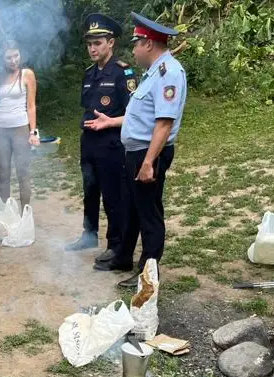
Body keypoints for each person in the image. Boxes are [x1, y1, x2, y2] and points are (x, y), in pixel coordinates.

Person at [87, 13, 187, 288]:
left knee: (149, 214)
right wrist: (112, 121)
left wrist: (148, 162)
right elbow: (140, 115)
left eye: (136, 43)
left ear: (149, 44)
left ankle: (148, 274)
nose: (133, 50)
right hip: (136, 152)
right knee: (131, 208)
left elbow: (164, 124)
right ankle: (123, 258)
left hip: (147, 153)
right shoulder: (153, 72)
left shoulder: (170, 74)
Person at [66, 13, 138, 268]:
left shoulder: (123, 73)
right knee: (90, 192)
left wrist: (110, 122)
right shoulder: (89, 74)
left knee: (112, 196)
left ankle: (115, 246)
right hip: (89, 142)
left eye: (98, 43)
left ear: (111, 43)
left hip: (111, 144)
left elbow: (134, 114)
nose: (93, 48)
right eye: (89, 43)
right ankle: (88, 235)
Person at [0, 40, 39, 208]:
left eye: (16, 56)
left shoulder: (27, 74)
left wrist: (33, 132)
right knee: (4, 175)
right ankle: (7, 214)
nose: (13, 60)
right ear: (2, 59)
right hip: (1, 130)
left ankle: (25, 213)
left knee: (23, 173)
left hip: (20, 129)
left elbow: (31, 106)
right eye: (9, 57)